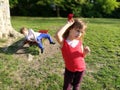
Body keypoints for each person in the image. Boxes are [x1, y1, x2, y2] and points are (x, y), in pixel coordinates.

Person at [55, 17, 90, 90]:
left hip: (81, 69)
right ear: (70, 29)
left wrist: (85, 52)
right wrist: (68, 24)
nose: (79, 34)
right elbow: (57, 35)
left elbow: (82, 56)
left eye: (81, 32)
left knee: (76, 86)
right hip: (69, 70)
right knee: (67, 87)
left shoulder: (79, 42)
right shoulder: (63, 43)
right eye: (77, 30)